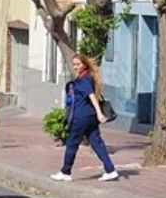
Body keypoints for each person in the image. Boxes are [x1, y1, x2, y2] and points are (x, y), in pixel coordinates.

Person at [50, 54, 119, 182]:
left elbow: (92, 96)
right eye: (74, 64)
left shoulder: (83, 80)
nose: (76, 67)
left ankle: (65, 172)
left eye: (78, 64)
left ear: (84, 65)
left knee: (72, 143)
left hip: (81, 117)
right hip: (90, 117)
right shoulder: (86, 77)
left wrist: (99, 113)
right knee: (96, 142)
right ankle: (110, 170)